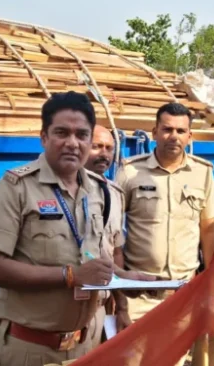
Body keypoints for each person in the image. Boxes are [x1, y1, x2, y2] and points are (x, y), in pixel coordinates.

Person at [0, 92, 117, 366]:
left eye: (82, 135)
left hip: (86, 346)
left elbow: (91, 260)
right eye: (62, 133)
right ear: (44, 137)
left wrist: (129, 278)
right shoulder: (15, 188)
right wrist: (70, 276)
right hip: (31, 349)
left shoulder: (98, 191)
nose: (72, 143)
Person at [116, 102, 214, 365]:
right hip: (139, 297)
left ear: (190, 136)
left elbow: (208, 230)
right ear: (154, 132)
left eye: (181, 131)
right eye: (167, 129)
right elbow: (112, 234)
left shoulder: (203, 173)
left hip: (183, 296)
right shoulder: (130, 171)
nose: (174, 136)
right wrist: (120, 299)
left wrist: (210, 286)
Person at [83, 125, 153, 344]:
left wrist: (121, 306)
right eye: (97, 146)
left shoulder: (114, 193)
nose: (104, 154)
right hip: (62, 308)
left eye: (109, 148)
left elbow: (116, 252)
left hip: (97, 311)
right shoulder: (58, 192)